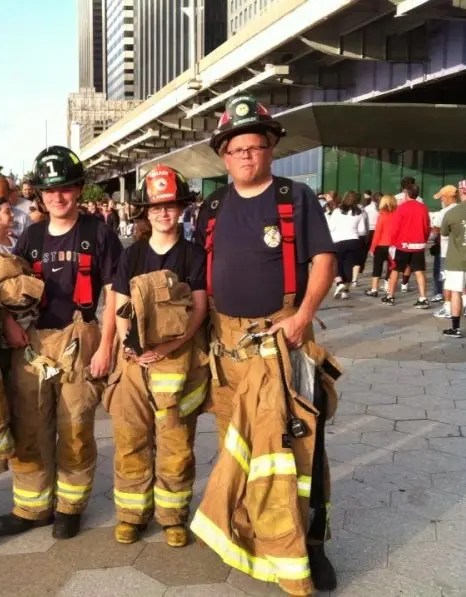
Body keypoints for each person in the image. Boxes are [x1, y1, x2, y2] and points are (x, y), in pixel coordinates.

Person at [191, 95, 339, 595]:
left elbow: (323, 261)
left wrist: (302, 317)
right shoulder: (210, 207)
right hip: (228, 344)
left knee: (299, 447)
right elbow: (197, 278)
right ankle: (252, 530)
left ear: (270, 149)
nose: (247, 156)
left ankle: (311, 545)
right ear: (224, 155)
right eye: (237, 149)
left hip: (283, 336)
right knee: (240, 444)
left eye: (256, 147)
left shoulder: (295, 198)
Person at [0, 145, 122, 540]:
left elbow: (117, 293)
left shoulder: (98, 233)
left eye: (65, 188)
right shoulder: (30, 236)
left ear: (79, 189)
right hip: (33, 344)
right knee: (29, 426)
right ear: (40, 195)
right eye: (49, 191)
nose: (57, 197)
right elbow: (9, 287)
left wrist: (107, 347)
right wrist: (10, 325)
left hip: (80, 341)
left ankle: (70, 506)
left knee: (77, 427)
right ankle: (32, 508)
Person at [106, 165, 208, 548]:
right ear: (145, 212)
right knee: (130, 440)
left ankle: (173, 517)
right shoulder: (131, 257)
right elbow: (118, 304)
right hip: (133, 365)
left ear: (180, 208)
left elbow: (198, 310)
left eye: (170, 206)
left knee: (176, 444)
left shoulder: (193, 256)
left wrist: (165, 349)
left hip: (177, 364)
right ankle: (132, 515)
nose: (163, 213)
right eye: (156, 207)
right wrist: (127, 349)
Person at [381, 184, 431, 307]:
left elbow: (395, 227)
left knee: (396, 270)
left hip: (403, 244)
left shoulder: (401, 208)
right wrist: (423, 240)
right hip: (418, 244)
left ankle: (390, 296)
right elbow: (427, 226)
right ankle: (423, 297)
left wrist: (393, 242)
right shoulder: (423, 208)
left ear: (406, 194)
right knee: (419, 271)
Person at [440, 180, 466, 337]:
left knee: (456, 293)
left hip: (456, 261)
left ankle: (456, 328)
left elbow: (444, 232)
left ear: (461, 192)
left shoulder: (452, 213)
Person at [328, 191, 367, 299]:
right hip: (354, 241)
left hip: (338, 241)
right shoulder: (360, 212)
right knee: (349, 266)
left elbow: (331, 227)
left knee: (336, 265)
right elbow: (362, 231)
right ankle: (346, 291)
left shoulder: (337, 211)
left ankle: (339, 283)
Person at [430, 185, 459, 316]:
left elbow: (435, 232)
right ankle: (464, 304)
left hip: (446, 252)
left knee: (447, 280)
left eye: (441, 198)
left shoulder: (444, 213)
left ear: (446, 197)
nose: (441, 200)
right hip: (461, 251)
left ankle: (447, 307)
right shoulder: (462, 210)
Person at [365, 194, 398, 297]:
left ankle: (374, 289)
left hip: (381, 245)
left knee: (377, 267)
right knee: (391, 267)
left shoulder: (382, 215)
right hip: (393, 245)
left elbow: (378, 233)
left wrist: (372, 247)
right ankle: (389, 288)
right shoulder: (398, 215)